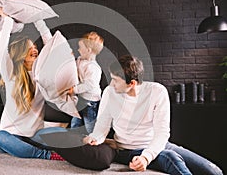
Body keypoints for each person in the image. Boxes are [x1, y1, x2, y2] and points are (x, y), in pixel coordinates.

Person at [83, 55, 223, 175]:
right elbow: (102, 125)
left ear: (132, 83)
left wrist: (147, 156)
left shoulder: (157, 92)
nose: (111, 84)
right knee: (170, 157)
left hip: (158, 145)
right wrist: (96, 138)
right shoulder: (109, 93)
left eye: (115, 80)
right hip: (127, 150)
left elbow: (162, 133)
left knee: (214, 171)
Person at [0, 7, 65, 160]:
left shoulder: (43, 73)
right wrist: (7, 22)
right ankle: (46, 155)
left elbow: (51, 46)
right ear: (21, 53)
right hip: (11, 135)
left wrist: (38, 19)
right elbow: (0, 51)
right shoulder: (12, 74)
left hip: (35, 137)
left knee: (64, 134)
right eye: (29, 48)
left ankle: (28, 149)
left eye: (35, 47)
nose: (35, 50)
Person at [68, 32, 104, 134]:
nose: (78, 50)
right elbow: (73, 68)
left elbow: (89, 85)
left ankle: (94, 139)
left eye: (80, 47)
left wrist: (74, 90)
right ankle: (74, 138)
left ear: (88, 50)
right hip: (81, 99)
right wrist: (70, 59)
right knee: (75, 123)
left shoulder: (93, 68)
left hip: (91, 102)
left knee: (90, 126)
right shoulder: (80, 59)